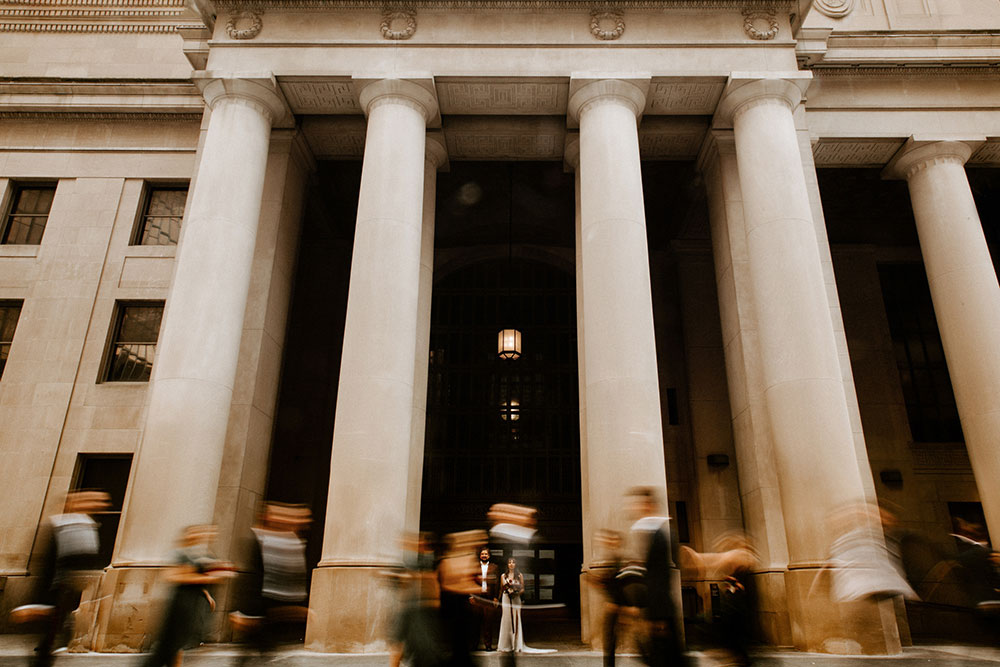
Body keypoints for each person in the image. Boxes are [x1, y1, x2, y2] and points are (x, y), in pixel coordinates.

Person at [31, 490, 110, 667]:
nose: (100, 504)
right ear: (75, 503)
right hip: (57, 589)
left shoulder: (87, 525)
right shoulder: (61, 525)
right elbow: (48, 564)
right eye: (91, 500)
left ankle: (45, 655)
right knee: (50, 638)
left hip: (69, 592)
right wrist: (38, 602)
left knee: (56, 636)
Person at [141, 525, 233, 667]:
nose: (200, 535)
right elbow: (172, 576)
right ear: (187, 535)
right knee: (170, 643)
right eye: (195, 533)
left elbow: (195, 578)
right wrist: (210, 578)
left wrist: (207, 594)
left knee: (176, 643)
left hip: (190, 603)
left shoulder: (198, 554)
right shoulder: (180, 553)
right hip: (180, 603)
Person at [625, 486, 684, 667]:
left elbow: (660, 578)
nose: (633, 509)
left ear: (647, 505)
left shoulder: (660, 535)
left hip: (661, 611)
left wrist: (658, 616)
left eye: (637, 505)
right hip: (658, 609)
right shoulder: (653, 534)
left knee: (666, 658)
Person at [471, 546, 500, 651]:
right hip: (477, 598)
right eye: (482, 554)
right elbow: (471, 581)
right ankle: (474, 645)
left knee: (488, 623)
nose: (484, 556)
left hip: (489, 598)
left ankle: (488, 645)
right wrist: (471, 596)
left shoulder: (494, 567)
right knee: (475, 622)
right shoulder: (474, 567)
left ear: (489, 556)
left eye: (486, 554)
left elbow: (497, 584)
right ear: (480, 555)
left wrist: (496, 597)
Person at [497, 557, 524, 652]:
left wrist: (516, 593)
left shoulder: (519, 575)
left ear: (516, 564)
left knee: (516, 619)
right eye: (509, 562)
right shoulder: (503, 576)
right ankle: (506, 644)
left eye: (513, 562)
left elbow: (522, 589)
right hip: (506, 599)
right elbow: (501, 589)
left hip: (516, 599)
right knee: (506, 619)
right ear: (507, 564)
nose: (511, 564)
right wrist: (498, 599)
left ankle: (516, 644)